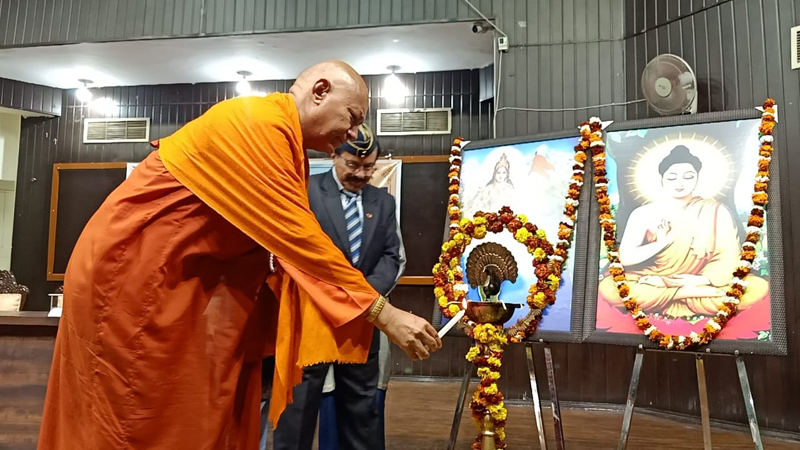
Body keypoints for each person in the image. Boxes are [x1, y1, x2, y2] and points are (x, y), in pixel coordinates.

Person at [37, 60, 441, 450]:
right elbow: (299, 240)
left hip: (187, 282)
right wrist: (382, 313)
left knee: (203, 406)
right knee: (136, 413)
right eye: (352, 116)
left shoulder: (285, 140)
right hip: (136, 279)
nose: (353, 131)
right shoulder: (257, 123)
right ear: (320, 92)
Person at [272, 124, 400, 450]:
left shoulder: (382, 202)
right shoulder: (307, 191)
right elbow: (294, 252)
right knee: (298, 410)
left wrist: (362, 297)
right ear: (334, 155)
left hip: (360, 323)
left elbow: (390, 256)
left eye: (369, 167)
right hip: (312, 320)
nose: (360, 174)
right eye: (352, 165)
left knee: (360, 412)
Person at [599, 145, 767, 319]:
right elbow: (625, 258)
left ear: (697, 179)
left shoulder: (716, 211)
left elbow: (729, 258)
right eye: (672, 177)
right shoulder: (643, 213)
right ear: (662, 180)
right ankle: (683, 294)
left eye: (688, 177)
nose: (680, 183)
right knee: (610, 289)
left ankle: (681, 292)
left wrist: (695, 280)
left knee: (757, 288)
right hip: (651, 278)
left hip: (697, 281)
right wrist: (662, 243)